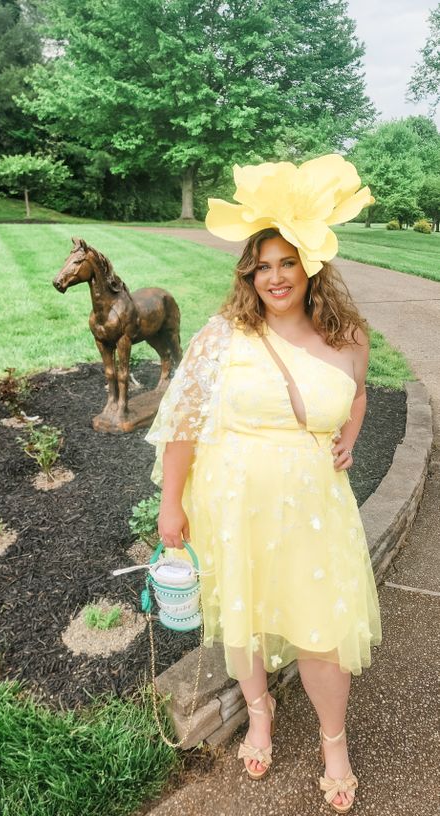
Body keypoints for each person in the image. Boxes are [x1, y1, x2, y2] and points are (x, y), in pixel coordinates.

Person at [145, 155, 382, 814]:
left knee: (322, 631)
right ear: (249, 274)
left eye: (287, 262)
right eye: (262, 265)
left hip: (314, 508)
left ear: (311, 266)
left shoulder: (348, 337)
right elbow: (181, 424)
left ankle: (333, 745)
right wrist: (171, 505)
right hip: (233, 504)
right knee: (243, 621)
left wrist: (351, 437)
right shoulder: (223, 336)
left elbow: (357, 394)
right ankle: (259, 713)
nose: (275, 276)